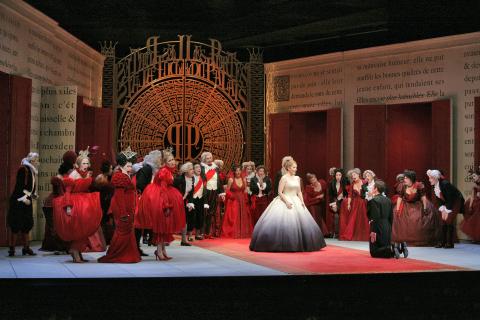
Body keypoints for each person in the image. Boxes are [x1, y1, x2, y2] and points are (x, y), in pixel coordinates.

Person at [250, 159, 326, 252]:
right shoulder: (284, 178)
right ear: (289, 168)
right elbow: (280, 192)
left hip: (296, 201)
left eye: (296, 167)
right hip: (285, 200)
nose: (296, 169)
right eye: (294, 167)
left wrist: (302, 202)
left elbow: (299, 191)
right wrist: (286, 202)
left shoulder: (297, 178)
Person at [52, 148, 103, 263]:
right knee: (80, 229)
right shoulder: (74, 174)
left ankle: (77, 251)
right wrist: (68, 206)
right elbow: (68, 192)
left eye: (87, 163)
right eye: (84, 163)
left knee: (85, 230)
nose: (86, 165)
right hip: (76, 204)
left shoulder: (86, 174)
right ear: (78, 164)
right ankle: (74, 250)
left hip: (85, 202)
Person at [137, 149, 186, 260]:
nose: (173, 162)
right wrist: (166, 205)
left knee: (164, 226)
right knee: (161, 226)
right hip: (160, 199)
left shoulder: (167, 171)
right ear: (165, 162)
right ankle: (159, 251)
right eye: (170, 160)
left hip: (162, 196)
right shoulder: (164, 171)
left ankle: (162, 250)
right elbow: (163, 190)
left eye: (173, 159)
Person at [98, 148, 141, 263]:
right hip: (123, 207)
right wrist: (123, 212)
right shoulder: (120, 176)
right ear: (122, 165)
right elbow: (119, 196)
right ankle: (117, 254)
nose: (130, 167)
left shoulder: (126, 175)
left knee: (127, 229)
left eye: (131, 165)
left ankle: (128, 253)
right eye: (128, 165)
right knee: (123, 230)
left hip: (128, 206)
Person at [392, 170, 438, 249]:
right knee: (401, 220)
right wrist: (398, 208)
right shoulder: (403, 186)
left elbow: (423, 197)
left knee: (417, 219)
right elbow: (400, 197)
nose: (404, 179)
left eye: (406, 178)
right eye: (404, 178)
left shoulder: (419, 185)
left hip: (417, 204)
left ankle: (420, 239)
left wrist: (425, 207)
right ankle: (403, 240)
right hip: (406, 205)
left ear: (411, 178)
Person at [40, 151, 76, 253]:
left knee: (54, 224)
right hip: (58, 202)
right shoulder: (68, 175)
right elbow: (62, 192)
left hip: (53, 201)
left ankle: (55, 245)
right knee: (59, 224)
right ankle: (60, 246)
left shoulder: (61, 174)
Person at [7, 152, 40, 257]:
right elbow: (20, 186)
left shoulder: (31, 170)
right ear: (31, 160)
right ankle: (12, 248)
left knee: (27, 223)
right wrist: (24, 198)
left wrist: (32, 195)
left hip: (27, 199)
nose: (36, 162)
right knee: (16, 224)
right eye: (35, 160)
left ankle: (26, 247)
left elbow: (30, 187)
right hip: (19, 200)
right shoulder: (23, 170)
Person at [134, 150, 163, 255]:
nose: (160, 160)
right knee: (139, 224)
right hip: (144, 199)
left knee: (142, 223)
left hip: (150, 198)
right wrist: (151, 192)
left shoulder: (153, 169)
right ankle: (136, 248)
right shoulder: (147, 169)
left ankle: (139, 247)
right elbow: (140, 184)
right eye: (159, 158)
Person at [427, 169, 465, 248]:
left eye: (430, 178)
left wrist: (447, 210)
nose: (429, 180)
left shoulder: (445, 184)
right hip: (447, 202)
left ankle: (450, 243)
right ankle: (442, 242)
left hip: (456, 201)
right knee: (443, 220)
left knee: (448, 219)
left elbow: (450, 198)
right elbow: (439, 199)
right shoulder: (436, 186)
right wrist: (443, 209)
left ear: (436, 178)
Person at [367, 180, 401, 258]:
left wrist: (373, 228)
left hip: (377, 225)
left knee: (374, 252)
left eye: (373, 187)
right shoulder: (388, 200)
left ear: (375, 189)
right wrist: (390, 226)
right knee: (385, 243)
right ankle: (393, 250)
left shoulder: (374, 200)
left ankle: (390, 251)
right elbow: (391, 216)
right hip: (387, 224)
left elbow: (375, 216)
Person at [221, 165, 252, 238]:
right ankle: (234, 233)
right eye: (236, 170)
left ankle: (242, 233)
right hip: (233, 201)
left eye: (239, 170)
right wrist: (232, 197)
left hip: (242, 200)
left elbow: (245, 190)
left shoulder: (243, 179)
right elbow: (227, 191)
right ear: (234, 172)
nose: (238, 172)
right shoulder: (231, 180)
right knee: (234, 217)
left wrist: (246, 196)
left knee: (243, 216)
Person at [339, 168, 369, 241]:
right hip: (356, 203)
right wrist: (349, 204)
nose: (353, 176)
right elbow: (350, 195)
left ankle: (364, 234)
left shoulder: (364, 182)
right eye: (352, 176)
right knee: (354, 219)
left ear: (358, 175)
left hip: (364, 202)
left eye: (354, 175)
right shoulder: (352, 184)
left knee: (364, 218)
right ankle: (355, 234)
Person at [200, 152, 225, 238]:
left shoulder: (216, 168)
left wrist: (221, 193)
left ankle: (208, 232)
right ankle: (201, 232)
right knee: (204, 212)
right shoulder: (201, 168)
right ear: (204, 159)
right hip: (205, 192)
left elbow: (219, 181)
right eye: (208, 158)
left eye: (211, 158)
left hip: (214, 192)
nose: (210, 160)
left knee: (211, 213)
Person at [173, 162, 195, 246]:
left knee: (185, 220)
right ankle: (165, 239)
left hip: (184, 201)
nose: (192, 171)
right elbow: (172, 190)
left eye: (192, 169)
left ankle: (183, 240)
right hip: (175, 201)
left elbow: (191, 193)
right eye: (190, 169)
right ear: (186, 171)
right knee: (171, 220)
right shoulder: (179, 179)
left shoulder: (192, 179)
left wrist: (190, 203)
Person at [93, 160, 114, 245]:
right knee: (102, 221)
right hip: (101, 202)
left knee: (106, 221)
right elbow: (97, 191)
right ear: (107, 169)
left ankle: (106, 239)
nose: (112, 170)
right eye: (111, 168)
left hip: (106, 202)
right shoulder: (100, 178)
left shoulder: (107, 177)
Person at [327, 168, 348, 238]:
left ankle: (342, 233)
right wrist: (333, 204)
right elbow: (330, 195)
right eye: (337, 175)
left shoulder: (346, 182)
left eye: (339, 175)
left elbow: (348, 193)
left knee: (343, 217)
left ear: (342, 176)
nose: (338, 176)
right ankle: (336, 233)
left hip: (344, 202)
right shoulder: (332, 183)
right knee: (336, 216)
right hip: (335, 202)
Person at [462, 167, 480, 242]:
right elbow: (472, 196)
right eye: (472, 177)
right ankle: (476, 237)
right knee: (475, 221)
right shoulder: (475, 186)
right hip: (476, 203)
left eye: (474, 176)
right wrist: (470, 206)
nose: (473, 178)